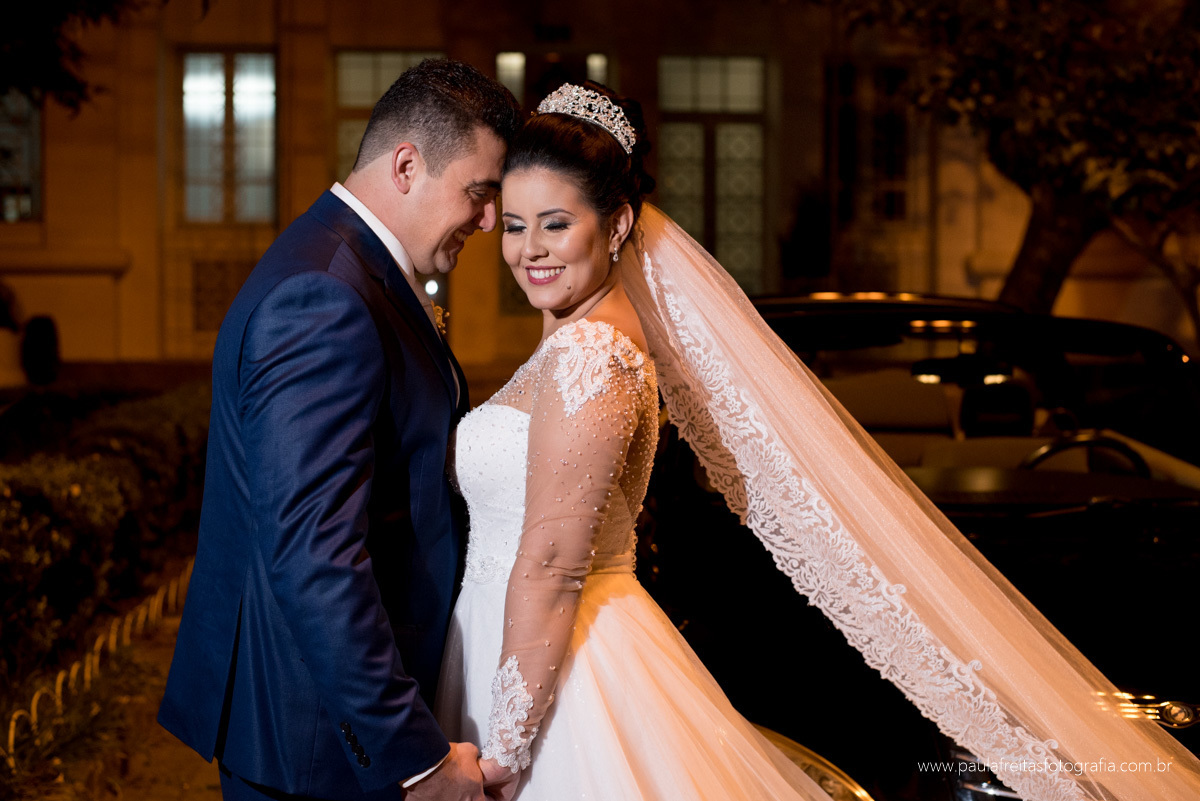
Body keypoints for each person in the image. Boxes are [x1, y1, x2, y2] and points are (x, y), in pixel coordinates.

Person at [435, 82, 1200, 801]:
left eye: (556, 223)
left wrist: (504, 750)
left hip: (562, 683)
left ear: (618, 225)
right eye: (515, 225)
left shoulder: (592, 353)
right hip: (528, 651)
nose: (529, 249)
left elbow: (552, 561)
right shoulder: (579, 337)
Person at [157, 59, 522, 801]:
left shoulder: (349, 267)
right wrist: (413, 758)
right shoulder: (323, 295)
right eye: (479, 193)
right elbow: (315, 553)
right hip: (315, 741)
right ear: (407, 166)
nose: (489, 221)